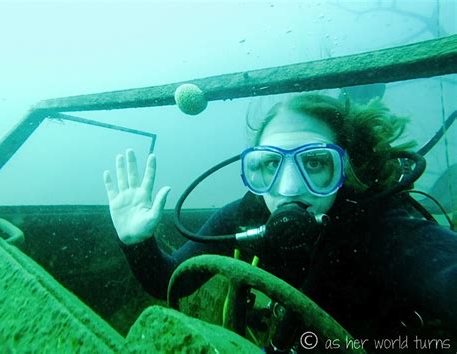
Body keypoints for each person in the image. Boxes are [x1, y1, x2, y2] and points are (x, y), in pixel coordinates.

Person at [103, 93, 457, 350]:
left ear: (344, 169)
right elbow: (169, 280)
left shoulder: (378, 224)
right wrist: (137, 243)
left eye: (315, 162)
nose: (288, 188)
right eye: (270, 164)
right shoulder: (247, 215)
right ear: (254, 170)